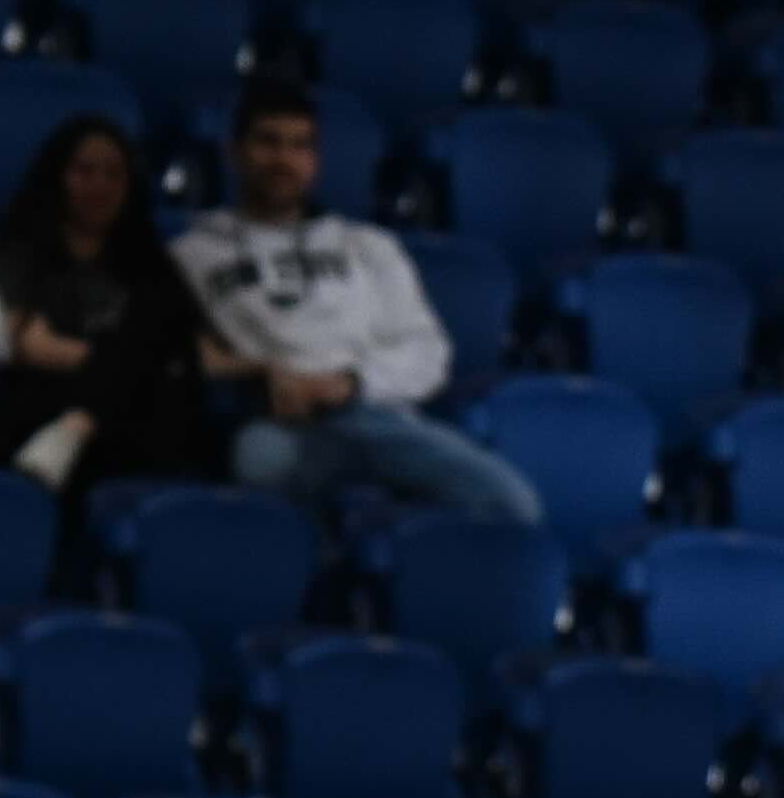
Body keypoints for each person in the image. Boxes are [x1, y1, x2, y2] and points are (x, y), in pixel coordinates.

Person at [173, 80, 547, 527]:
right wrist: (261, 371)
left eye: (299, 146)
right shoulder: (193, 254)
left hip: (374, 415)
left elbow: (429, 354)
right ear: (235, 152)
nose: (283, 159)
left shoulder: (368, 247)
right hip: (277, 421)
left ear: (315, 160)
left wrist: (348, 384)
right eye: (268, 142)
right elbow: (166, 351)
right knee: (259, 465)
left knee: (513, 506)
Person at [0, 107, 213, 493]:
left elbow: (183, 348)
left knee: (163, 397)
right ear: (58, 176)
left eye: (113, 174)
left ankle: (79, 425)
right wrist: (126, 363)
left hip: (128, 423)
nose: (100, 185)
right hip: (41, 407)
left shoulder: (152, 263)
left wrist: (83, 357)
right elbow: (25, 346)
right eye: (85, 171)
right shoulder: (20, 252)